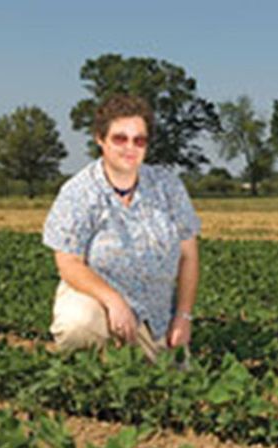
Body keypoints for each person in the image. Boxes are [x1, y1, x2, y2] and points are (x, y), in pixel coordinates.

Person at [42, 94, 200, 365]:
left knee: (168, 381)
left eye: (139, 140)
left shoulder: (167, 187)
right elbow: (68, 263)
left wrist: (183, 316)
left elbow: (189, 257)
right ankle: (89, 368)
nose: (130, 147)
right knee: (78, 323)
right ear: (100, 139)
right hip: (99, 304)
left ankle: (129, 354)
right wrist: (113, 300)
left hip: (157, 311)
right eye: (120, 138)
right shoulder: (79, 193)